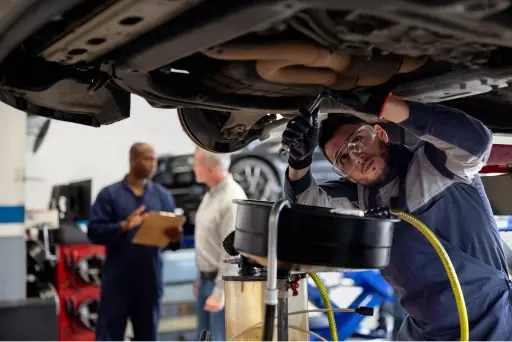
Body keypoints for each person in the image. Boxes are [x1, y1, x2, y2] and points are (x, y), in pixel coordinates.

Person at [282, 91, 512, 340]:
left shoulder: (437, 165)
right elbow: (306, 210)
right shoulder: (360, 197)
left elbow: (477, 142)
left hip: (488, 320)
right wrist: (299, 161)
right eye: (344, 158)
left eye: (357, 140)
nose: (357, 157)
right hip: (425, 330)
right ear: (344, 174)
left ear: (380, 133)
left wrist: (384, 103)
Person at [87, 142, 180, 341]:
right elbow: (94, 232)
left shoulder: (163, 197)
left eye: (154, 159)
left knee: (147, 336)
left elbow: (172, 242)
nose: (153, 164)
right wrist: (123, 226)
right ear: (133, 160)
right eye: (147, 159)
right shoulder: (109, 195)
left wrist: (174, 236)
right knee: (108, 335)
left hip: (149, 281)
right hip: (117, 281)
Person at [192, 148, 247, 341]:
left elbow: (232, 253)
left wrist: (220, 292)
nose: (193, 167)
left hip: (221, 285)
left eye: (196, 163)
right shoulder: (211, 194)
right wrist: (201, 277)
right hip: (206, 281)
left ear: (211, 169)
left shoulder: (231, 199)